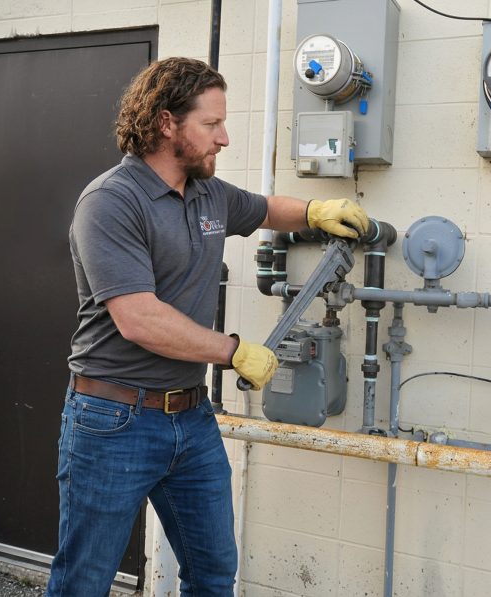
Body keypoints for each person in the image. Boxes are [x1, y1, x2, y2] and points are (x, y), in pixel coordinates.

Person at [46, 57, 369, 597]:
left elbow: (266, 209)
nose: (225, 137)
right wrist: (234, 351)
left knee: (214, 573)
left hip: (190, 417)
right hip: (113, 419)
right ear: (166, 122)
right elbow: (139, 318)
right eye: (211, 124)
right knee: (84, 580)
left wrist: (316, 210)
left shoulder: (207, 195)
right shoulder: (110, 202)